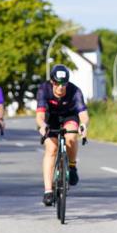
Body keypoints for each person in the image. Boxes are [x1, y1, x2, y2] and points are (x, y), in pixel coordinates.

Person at [36, 64, 89, 206]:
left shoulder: (75, 91)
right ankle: (48, 191)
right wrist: (42, 126)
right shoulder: (44, 89)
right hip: (50, 119)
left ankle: (72, 166)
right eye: (57, 84)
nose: (60, 87)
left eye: (63, 84)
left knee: (71, 137)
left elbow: (83, 115)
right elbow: (40, 115)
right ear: (52, 82)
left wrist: (83, 125)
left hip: (69, 116)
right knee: (51, 149)